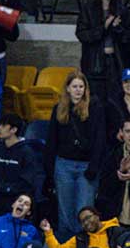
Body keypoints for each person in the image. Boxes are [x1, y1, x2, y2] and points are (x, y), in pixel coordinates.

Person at [45, 71, 105, 238]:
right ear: (68, 89)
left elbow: (100, 138)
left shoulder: (95, 107)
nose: (78, 90)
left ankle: (83, 246)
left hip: (86, 166)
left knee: (85, 210)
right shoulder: (59, 109)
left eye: (81, 86)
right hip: (64, 164)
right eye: (75, 87)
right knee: (65, 211)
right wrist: (50, 171)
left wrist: (94, 166)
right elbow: (52, 140)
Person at [76, 0, 130, 99]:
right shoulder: (88, 10)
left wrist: (117, 28)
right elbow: (82, 35)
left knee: (116, 98)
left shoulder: (122, 10)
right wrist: (104, 26)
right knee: (96, 98)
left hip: (117, 61)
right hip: (95, 62)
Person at [0, 113, 40, 216]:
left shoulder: (27, 153)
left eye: (3, 125)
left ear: (13, 130)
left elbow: (26, 184)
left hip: (15, 203)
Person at [40, 206, 121, 248]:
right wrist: (48, 233)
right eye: (82, 222)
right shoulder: (80, 238)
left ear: (97, 216)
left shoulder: (115, 231)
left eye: (88, 217)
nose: (86, 223)